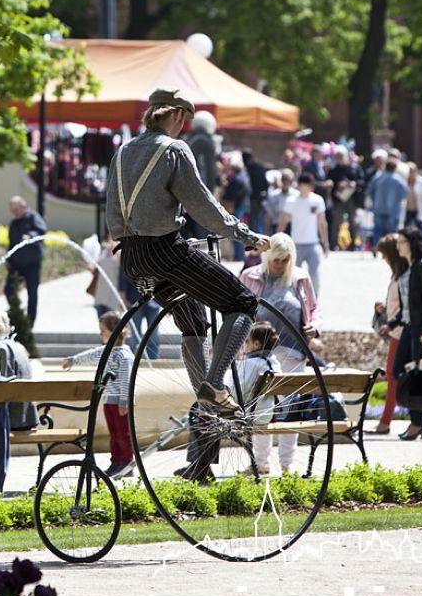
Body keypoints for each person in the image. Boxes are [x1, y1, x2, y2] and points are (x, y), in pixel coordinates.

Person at [104, 86, 270, 468]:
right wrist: (245, 235)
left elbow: (113, 207)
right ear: (177, 116)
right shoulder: (174, 150)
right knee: (242, 302)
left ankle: (207, 408)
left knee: (193, 320)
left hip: (132, 257)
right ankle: (213, 387)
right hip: (165, 251)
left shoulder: (122, 152)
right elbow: (205, 207)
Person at [62, 311, 135, 478]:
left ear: (115, 331)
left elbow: (126, 380)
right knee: (114, 433)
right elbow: (91, 354)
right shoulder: (106, 350)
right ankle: (116, 461)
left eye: (103, 330)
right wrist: (73, 360)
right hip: (109, 400)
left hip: (120, 403)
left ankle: (126, 462)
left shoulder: (124, 355)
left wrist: (124, 401)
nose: (100, 334)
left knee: (123, 433)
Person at [382, 226, 422, 441]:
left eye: (402, 242)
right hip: (406, 326)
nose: (398, 246)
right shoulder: (409, 267)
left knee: (419, 375)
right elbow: (408, 303)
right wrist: (393, 321)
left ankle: (418, 422)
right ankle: (415, 417)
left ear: (412, 244)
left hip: (419, 329)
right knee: (398, 371)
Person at [239, 233, 321, 375]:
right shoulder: (249, 276)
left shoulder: (300, 277)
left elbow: (314, 307)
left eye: (285, 260)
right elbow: (237, 310)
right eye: (276, 259)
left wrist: (314, 327)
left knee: (290, 395)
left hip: (293, 353)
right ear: (267, 256)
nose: (280, 264)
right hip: (256, 353)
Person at [230, 322, 291, 476]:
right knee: (262, 415)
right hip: (269, 414)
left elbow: (235, 391)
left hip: (251, 414)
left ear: (256, 344)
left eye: (247, 342)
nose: (245, 345)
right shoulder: (274, 361)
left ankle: (202, 464)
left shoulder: (250, 363)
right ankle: (261, 463)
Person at [370, 233, 409, 434]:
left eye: (385, 255)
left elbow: (407, 306)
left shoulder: (404, 276)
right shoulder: (397, 274)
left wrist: (391, 319)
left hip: (401, 332)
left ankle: (385, 422)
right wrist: (384, 310)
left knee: (394, 375)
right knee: (406, 375)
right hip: (398, 331)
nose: (383, 259)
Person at [277, 173, 328, 296]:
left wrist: (325, 243)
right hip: (296, 245)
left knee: (315, 275)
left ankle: (314, 300)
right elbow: (283, 222)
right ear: (300, 185)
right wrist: (278, 240)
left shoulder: (317, 200)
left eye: (311, 185)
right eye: (307, 185)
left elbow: (322, 223)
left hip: (313, 244)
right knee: (292, 275)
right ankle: (293, 298)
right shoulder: (291, 201)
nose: (310, 188)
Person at [4, 196, 47, 324]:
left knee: (32, 291)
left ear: (24, 206)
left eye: (16, 209)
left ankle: (30, 320)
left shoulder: (33, 217)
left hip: (32, 263)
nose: (15, 213)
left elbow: (41, 231)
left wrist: (30, 236)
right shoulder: (14, 222)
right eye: (12, 210)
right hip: (16, 263)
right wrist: (8, 259)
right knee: (9, 289)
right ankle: (16, 313)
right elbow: (11, 243)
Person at [327, 147, 364, 250]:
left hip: (352, 200)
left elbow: (362, 182)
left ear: (346, 156)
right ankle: (333, 245)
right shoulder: (333, 170)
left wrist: (354, 184)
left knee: (353, 223)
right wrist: (338, 186)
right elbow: (329, 183)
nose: (339, 158)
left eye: (341, 156)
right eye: (337, 156)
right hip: (338, 200)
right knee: (336, 223)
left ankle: (353, 246)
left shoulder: (355, 168)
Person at [366, 159, 408, 249]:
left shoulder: (377, 177)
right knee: (392, 231)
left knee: (377, 229)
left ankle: (375, 246)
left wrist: (374, 201)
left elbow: (369, 191)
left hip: (378, 208)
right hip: (393, 210)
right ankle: (391, 248)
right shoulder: (399, 180)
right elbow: (405, 193)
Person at [221, 154, 252, 260]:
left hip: (235, 208)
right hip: (240, 207)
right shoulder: (243, 179)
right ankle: (239, 255)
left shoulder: (236, 181)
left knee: (236, 232)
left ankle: (238, 256)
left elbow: (231, 196)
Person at [88, 238, 124, 317]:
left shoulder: (120, 252)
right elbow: (93, 268)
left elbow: (121, 266)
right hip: (100, 295)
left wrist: (115, 250)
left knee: (112, 323)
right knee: (102, 322)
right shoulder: (102, 252)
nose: (111, 242)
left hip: (113, 297)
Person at [242, 150, 270, 235]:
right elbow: (266, 184)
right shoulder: (259, 167)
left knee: (254, 223)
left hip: (253, 200)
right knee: (257, 222)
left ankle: (257, 241)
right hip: (258, 198)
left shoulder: (247, 170)